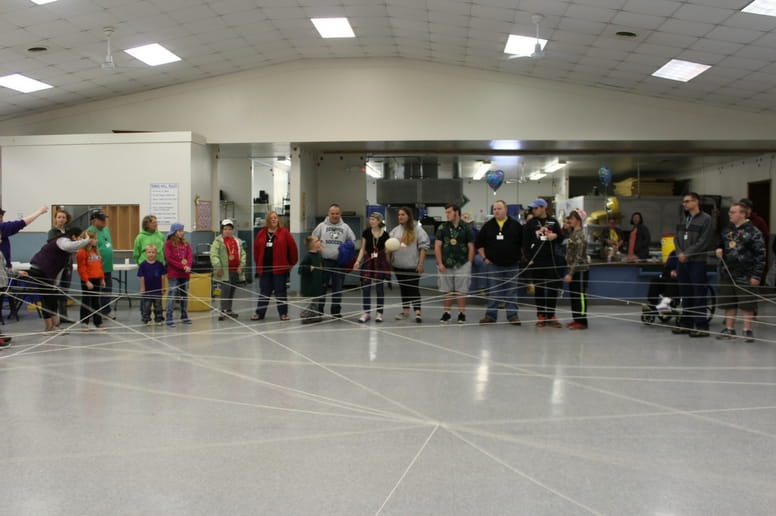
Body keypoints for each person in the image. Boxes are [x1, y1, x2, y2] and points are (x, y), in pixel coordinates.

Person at [715, 202, 766, 342]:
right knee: (728, 302)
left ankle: (747, 330)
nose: (729, 214)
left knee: (747, 303)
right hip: (727, 272)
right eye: (730, 212)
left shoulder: (753, 232)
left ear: (742, 214)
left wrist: (757, 275)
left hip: (746, 273)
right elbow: (720, 243)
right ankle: (729, 329)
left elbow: (761, 255)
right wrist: (719, 249)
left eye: (733, 212)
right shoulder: (727, 230)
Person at [27, 226, 92, 331]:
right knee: (47, 299)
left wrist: (55, 284)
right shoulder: (63, 241)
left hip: (47, 273)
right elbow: (72, 245)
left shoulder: (66, 250)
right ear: (74, 237)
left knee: (53, 298)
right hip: (39, 270)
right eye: (80, 237)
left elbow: (58, 268)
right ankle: (49, 327)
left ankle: (55, 325)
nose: (81, 239)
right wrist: (87, 240)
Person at [673, 192, 714, 337]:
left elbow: (704, 241)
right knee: (685, 293)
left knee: (698, 294)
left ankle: (702, 326)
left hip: (696, 262)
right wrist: (679, 253)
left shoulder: (706, 219)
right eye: (683, 202)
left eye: (687, 201)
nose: (684, 204)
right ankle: (686, 324)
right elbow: (676, 238)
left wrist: (687, 254)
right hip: (681, 261)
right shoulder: (682, 219)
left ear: (696, 202)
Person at [475, 200, 522, 325]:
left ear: (506, 209)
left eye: (499, 208)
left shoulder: (516, 225)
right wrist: (485, 258)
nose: (496, 211)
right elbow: (479, 244)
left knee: (512, 291)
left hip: (512, 264)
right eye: (494, 209)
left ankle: (512, 316)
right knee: (494, 291)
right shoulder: (488, 226)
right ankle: (491, 315)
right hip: (494, 265)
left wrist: (520, 257)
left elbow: (523, 244)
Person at [522, 198, 564, 328]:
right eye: (532, 209)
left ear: (543, 208)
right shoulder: (531, 223)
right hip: (537, 260)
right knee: (539, 288)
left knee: (552, 288)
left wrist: (555, 236)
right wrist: (529, 258)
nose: (533, 210)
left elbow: (561, 238)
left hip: (551, 259)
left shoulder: (553, 222)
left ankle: (551, 315)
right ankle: (541, 315)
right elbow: (525, 243)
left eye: (536, 208)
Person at [311, 204, 356, 318]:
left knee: (338, 288)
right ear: (328, 214)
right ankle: (319, 311)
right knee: (322, 287)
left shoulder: (345, 227)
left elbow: (353, 242)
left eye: (337, 213)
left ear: (340, 214)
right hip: (324, 262)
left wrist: (347, 249)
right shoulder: (321, 226)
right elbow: (312, 239)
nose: (335, 216)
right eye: (332, 213)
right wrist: (317, 248)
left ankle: (336, 312)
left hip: (339, 263)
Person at [253, 211, 298, 321]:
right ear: (268, 220)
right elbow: (256, 250)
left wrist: (291, 263)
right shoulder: (261, 233)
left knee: (280, 291)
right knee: (264, 291)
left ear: (278, 220)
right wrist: (258, 263)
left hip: (280, 269)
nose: (274, 220)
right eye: (271, 218)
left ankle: (283, 314)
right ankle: (260, 313)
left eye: (275, 218)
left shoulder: (284, 233)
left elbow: (293, 249)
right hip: (265, 268)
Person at [435, 203, 475, 324]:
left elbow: (471, 246)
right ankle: (446, 313)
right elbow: (437, 246)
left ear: (457, 212)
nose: (447, 215)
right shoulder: (442, 227)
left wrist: (469, 263)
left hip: (462, 263)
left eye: (449, 212)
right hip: (446, 263)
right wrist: (440, 263)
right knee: (446, 289)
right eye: (446, 212)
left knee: (461, 290)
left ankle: (461, 313)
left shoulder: (466, 228)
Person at [388, 206, 430, 323]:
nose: (400, 217)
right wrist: (389, 262)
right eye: (399, 215)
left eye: (403, 215)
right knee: (404, 289)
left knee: (413, 289)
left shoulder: (417, 229)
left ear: (409, 216)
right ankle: (405, 312)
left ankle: (417, 312)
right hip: (398, 265)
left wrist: (420, 264)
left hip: (412, 266)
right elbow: (389, 247)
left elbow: (423, 247)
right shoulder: (395, 231)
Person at [353, 212, 391, 323]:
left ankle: (379, 313)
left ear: (379, 221)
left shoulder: (385, 235)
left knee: (379, 288)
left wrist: (391, 251)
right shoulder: (366, 233)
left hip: (380, 262)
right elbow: (362, 249)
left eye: (373, 219)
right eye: (370, 219)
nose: (371, 221)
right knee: (366, 287)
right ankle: (366, 313)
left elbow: (387, 251)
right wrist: (358, 261)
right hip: (368, 261)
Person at [211, 219, 246, 320]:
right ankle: (223, 310)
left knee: (232, 290)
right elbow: (214, 255)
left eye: (230, 229)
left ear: (232, 230)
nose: (228, 231)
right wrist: (218, 267)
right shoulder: (218, 241)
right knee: (225, 291)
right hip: (224, 271)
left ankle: (229, 309)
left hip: (235, 270)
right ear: (222, 230)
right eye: (225, 229)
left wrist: (241, 266)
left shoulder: (237, 241)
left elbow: (243, 254)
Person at [563, 209, 589, 329]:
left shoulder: (580, 235)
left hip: (580, 271)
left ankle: (582, 321)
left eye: (572, 219)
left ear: (578, 220)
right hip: (572, 269)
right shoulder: (573, 233)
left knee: (580, 296)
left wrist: (571, 273)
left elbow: (579, 256)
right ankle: (576, 319)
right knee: (574, 295)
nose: (570, 221)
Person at [87, 209, 115, 319]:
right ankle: (95, 312)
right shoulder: (90, 232)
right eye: (101, 219)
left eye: (104, 219)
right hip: (96, 268)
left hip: (107, 267)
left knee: (107, 290)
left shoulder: (106, 229)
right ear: (94, 221)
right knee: (97, 291)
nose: (104, 222)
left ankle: (105, 311)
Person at [47, 208, 74, 323]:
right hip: (57, 265)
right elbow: (54, 246)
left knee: (64, 290)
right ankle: (54, 317)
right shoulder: (52, 232)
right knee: (55, 291)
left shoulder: (68, 231)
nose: (61, 219)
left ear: (66, 219)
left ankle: (64, 316)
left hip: (68, 264)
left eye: (63, 217)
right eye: (59, 217)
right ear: (55, 219)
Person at [76, 230, 106, 331]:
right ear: (88, 240)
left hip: (97, 279)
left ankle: (98, 322)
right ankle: (84, 322)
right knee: (86, 301)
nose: (96, 240)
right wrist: (86, 281)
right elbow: (81, 268)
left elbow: (99, 267)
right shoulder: (81, 252)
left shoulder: (95, 252)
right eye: (93, 238)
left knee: (96, 301)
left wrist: (102, 279)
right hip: (88, 281)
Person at [164, 222, 192, 327]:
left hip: (184, 274)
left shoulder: (186, 243)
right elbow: (169, 259)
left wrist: (188, 265)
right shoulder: (168, 244)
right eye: (180, 231)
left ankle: (184, 316)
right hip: (174, 274)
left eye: (182, 230)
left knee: (184, 295)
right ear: (174, 232)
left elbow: (189, 255)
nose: (182, 233)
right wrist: (182, 266)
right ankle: (169, 317)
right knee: (172, 294)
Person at [298, 235, 326, 324]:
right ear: (313, 244)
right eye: (318, 240)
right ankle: (305, 316)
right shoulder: (308, 256)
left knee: (315, 302)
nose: (319, 242)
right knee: (310, 302)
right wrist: (308, 268)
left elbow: (322, 268)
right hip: (309, 285)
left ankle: (312, 316)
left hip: (317, 284)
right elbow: (300, 269)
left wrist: (324, 281)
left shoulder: (319, 256)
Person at [137, 244, 166, 326]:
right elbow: (142, 277)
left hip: (157, 290)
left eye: (153, 252)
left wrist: (163, 287)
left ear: (156, 253)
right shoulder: (143, 265)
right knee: (146, 306)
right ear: (146, 253)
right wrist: (143, 288)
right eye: (149, 252)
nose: (151, 254)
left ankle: (158, 319)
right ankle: (146, 319)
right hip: (147, 291)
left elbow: (163, 277)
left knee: (158, 306)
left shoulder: (159, 264)